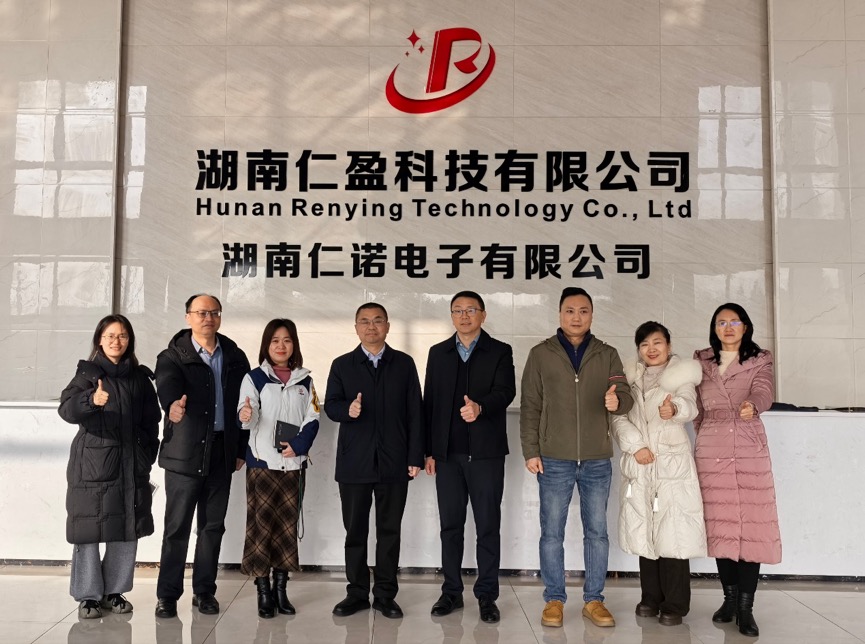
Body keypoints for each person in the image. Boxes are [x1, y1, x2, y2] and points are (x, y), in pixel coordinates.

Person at [520, 287, 633, 629]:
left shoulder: (607, 354)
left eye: (583, 311)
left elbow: (624, 395)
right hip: (554, 457)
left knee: (597, 532)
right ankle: (554, 599)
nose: (576, 317)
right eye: (570, 310)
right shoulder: (541, 354)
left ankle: (594, 600)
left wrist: (618, 402)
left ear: (592, 315)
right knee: (551, 532)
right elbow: (530, 405)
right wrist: (531, 450)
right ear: (560, 314)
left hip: (597, 458)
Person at [324, 303, 424, 619]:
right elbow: (331, 406)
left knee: (389, 531)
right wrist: (347, 410)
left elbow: (415, 412)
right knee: (355, 532)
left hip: (394, 461)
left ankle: (384, 595)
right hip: (354, 462)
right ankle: (355, 593)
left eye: (378, 321)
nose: (371, 327)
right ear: (356, 328)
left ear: (387, 326)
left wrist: (415, 456)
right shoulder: (342, 365)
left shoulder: (404, 364)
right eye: (364, 321)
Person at [58, 314, 161, 619]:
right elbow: (66, 409)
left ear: (130, 341)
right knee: (88, 531)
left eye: (123, 336)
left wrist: (146, 453)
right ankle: (88, 596)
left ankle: (114, 592)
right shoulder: (88, 374)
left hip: (131, 465)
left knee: (126, 528)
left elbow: (151, 421)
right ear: (100, 340)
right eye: (110, 336)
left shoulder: (140, 378)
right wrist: (91, 399)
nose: (117, 341)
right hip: (92, 466)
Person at [154, 294, 250, 618]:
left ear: (220, 317)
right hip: (184, 453)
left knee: (212, 527)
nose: (208, 318)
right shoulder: (173, 356)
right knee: (177, 528)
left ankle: (204, 591)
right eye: (201, 312)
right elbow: (167, 387)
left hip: (222, 453)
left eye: (214, 312)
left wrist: (240, 448)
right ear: (188, 317)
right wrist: (172, 406)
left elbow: (247, 405)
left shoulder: (235, 356)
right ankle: (167, 596)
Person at [423, 291, 516, 623]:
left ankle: (487, 595)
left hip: (487, 454)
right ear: (452, 316)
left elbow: (506, 391)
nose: (464, 316)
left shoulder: (499, 351)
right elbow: (430, 403)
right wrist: (429, 451)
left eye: (471, 310)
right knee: (450, 527)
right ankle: (451, 592)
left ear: (483, 315)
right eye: (458, 311)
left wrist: (481, 407)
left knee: (488, 526)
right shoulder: (438, 353)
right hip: (447, 456)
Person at [610, 321, 706, 626]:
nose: (651, 349)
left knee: (673, 531)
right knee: (645, 528)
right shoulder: (629, 378)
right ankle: (650, 597)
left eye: (657, 343)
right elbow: (618, 417)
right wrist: (635, 446)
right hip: (640, 462)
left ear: (668, 345)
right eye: (644, 344)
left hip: (671, 466)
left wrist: (674, 409)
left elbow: (690, 405)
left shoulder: (682, 375)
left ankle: (675, 604)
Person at [694, 303, 780, 637]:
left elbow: (764, 391)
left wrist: (753, 405)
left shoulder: (760, 359)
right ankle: (729, 600)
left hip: (747, 447)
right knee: (722, 526)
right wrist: (702, 434)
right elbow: (697, 408)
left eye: (734, 322)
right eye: (721, 322)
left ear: (745, 326)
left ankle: (746, 608)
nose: (728, 327)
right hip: (712, 449)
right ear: (714, 328)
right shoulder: (701, 362)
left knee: (751, 527)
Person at [237, 319, 320, 618]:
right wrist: (246, 414)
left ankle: (281, 590)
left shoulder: (305, 381)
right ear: (266, 345)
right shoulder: (255, 378)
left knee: (286, 529)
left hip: (293, 465)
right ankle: (263, 592)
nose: (281, 346)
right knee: (261, 528)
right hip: (262, 464)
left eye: (287, 340)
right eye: (275, 340)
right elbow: (247, 414)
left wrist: (299, 445)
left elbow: (313, 417)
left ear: (294, 344)